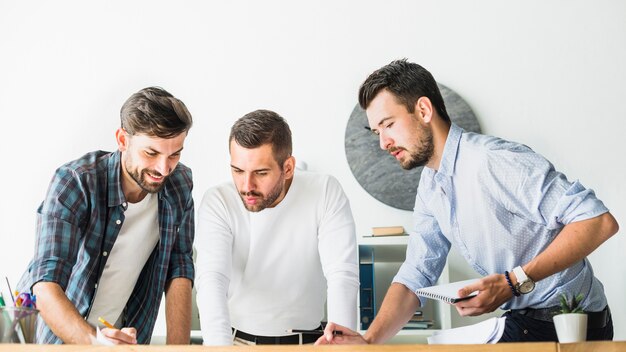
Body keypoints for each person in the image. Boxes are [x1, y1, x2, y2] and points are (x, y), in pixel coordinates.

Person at [318, 59, 619, 344]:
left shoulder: (493, 161)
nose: (383, 143)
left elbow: (597, 221)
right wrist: (369, 340)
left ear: (423, 110)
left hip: (573, 324)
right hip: (523, 320)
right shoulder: (431, 185)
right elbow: (416, 275)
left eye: (388, 124)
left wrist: (513, 282)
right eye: (376, 132)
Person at [17, 87, 195, 345]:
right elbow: (46, 282)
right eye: (151, 153)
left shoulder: (180, 185)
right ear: (123, 140)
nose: (164, 168)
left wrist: (179, 351)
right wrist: (95, 343)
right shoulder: (75, 182)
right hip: (51, 339)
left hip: (122, 338)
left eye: (175, 154)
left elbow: (179, 268)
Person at [195, 109, 359, 345]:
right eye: (238, 171)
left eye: (261, 173)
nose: (246, 186)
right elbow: (212, 278)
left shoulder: (324, 191)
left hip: (309, 342)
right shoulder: (219, 200)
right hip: (234, 341)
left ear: (288, 167)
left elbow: (342, 273)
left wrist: (341, 347)